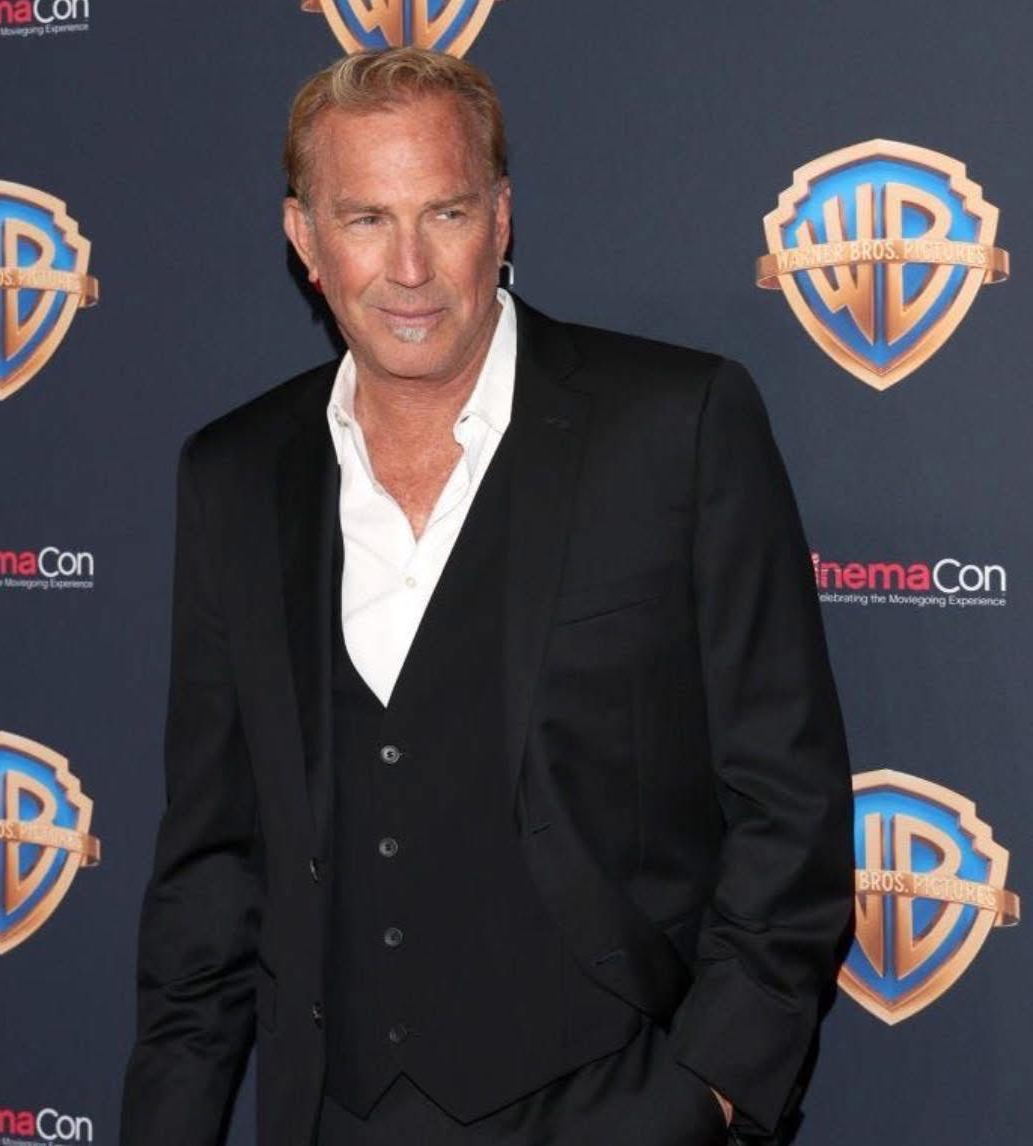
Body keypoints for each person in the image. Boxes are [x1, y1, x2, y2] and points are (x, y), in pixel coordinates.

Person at [120, 47, 853, 1146]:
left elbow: (790, 802)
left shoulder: (673, 427)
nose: (410, 268)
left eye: (446, 212)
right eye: (366, 219)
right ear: (304, 240)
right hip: (336, 1113)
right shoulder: (235, 475)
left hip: (614, 1103)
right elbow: (211, 867)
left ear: (501, 218)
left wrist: (704, 1094)